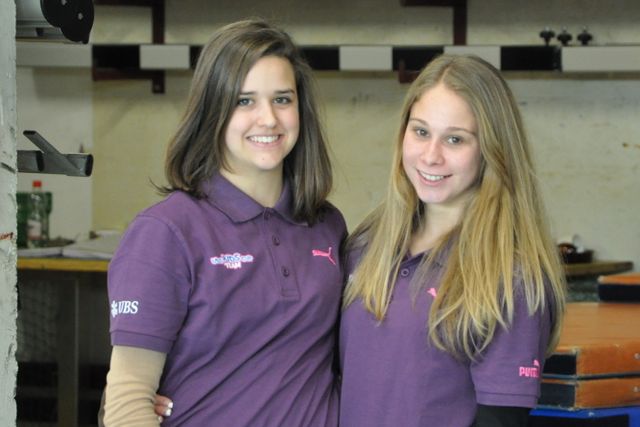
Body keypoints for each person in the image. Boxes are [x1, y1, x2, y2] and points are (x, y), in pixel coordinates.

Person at [103, 19, 346, 427]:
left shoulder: (327, 226)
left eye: (282, 99)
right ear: (212, 110)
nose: (268, 119)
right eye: (244, 101)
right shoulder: (164, 233)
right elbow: (127, 405)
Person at [338, 54, 566, 427]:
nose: (431, 156)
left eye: (455, 139)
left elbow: (499, 421)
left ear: (492, 149)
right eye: (421, 132)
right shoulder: (365, 245)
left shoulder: (511, 275)